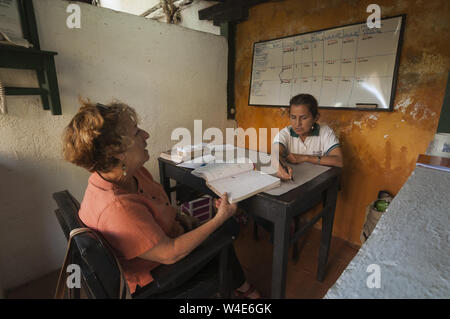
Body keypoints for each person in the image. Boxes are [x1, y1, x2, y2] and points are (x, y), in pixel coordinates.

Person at [62, 100, 260, 298]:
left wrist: (180, 216)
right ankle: (240, 286)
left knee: (220, 229)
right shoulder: (118, 208)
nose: (146, 135)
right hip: (157, 276)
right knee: (226, 230)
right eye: (137, 132)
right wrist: (220, 218)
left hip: (163, 243)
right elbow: (171, 253)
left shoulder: (131, 173)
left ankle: (239, 283)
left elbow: (157, 204)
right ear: (118, 152)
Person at [272, 93, 343, 180]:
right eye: (293, 117)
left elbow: (339, 161)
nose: (297, 123)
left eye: (304, 118)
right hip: (296, 180)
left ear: (315, 118)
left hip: (318, 182)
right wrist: (278, 164)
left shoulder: (325, 132)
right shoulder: (285, 133)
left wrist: (306, 158)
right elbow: (275, 152)